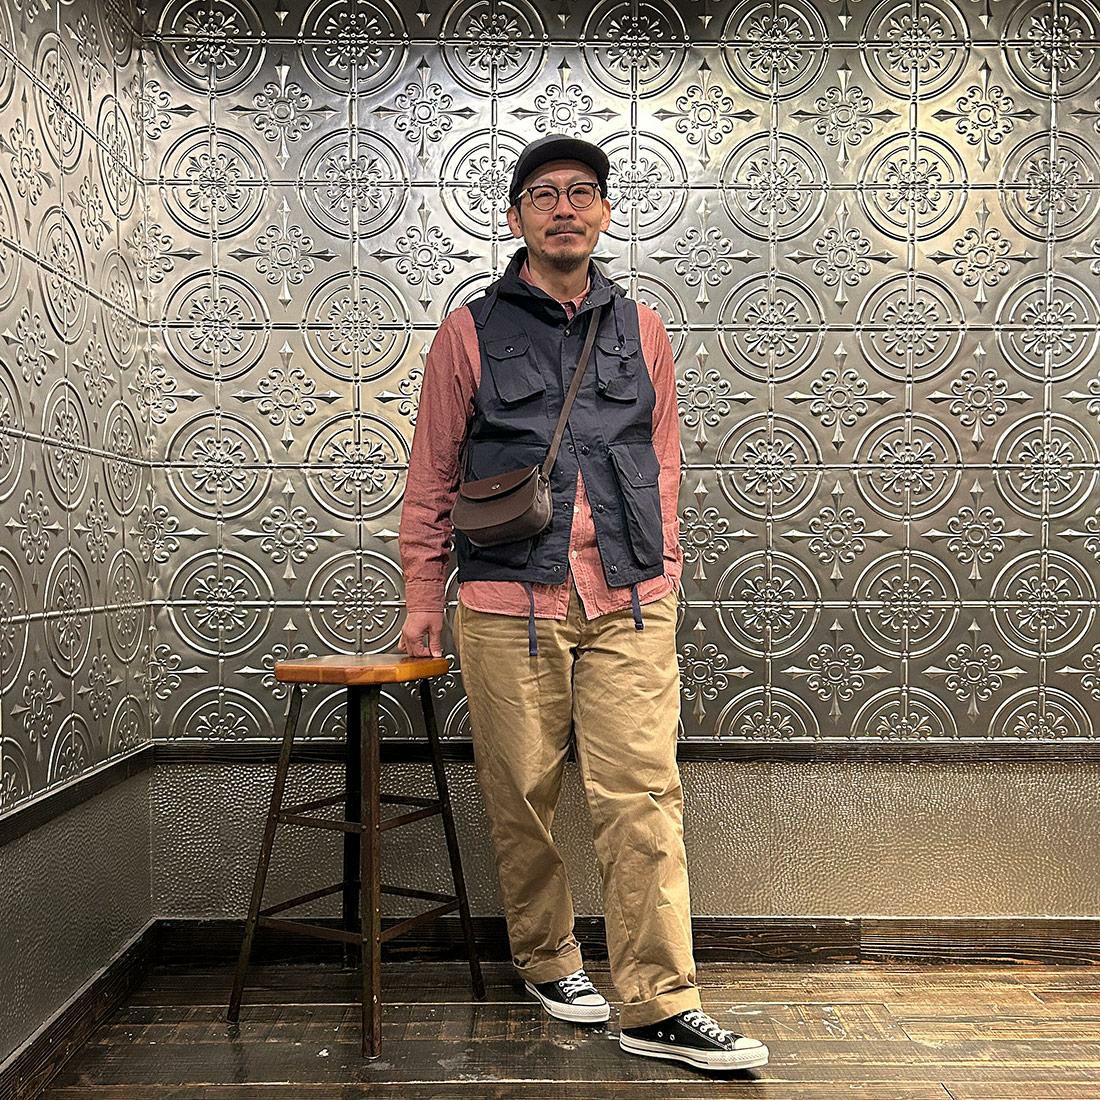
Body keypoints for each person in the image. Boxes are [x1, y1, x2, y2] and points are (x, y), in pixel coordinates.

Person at [396, 133, 768, 1073]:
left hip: (630, 599)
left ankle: (660, 1004)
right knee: (522, 792)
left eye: (581, 192)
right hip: (504, 597)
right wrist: (422, 593)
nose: (564, 207)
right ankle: (548, 957)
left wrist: (665, 563)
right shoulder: (469, 331)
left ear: (604, 213)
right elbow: (433, 470)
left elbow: (664, 456)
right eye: (543, 194)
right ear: (515, 217)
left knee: (643, 793)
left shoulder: (643, 328)